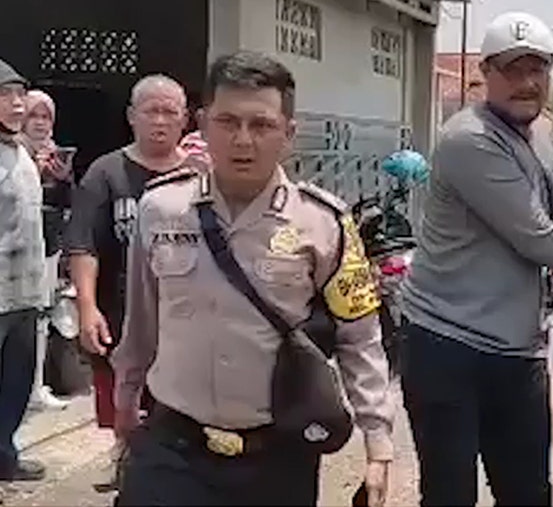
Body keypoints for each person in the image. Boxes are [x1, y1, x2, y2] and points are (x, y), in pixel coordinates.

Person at [112, 52, 393, 506]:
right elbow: (141, 322)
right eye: (227, 121)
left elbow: (360, 338)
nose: (243, 140)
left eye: (261, 125)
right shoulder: (160, 210)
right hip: (173, 448)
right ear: (202, 126)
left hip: (277, 460)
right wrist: (125, 400)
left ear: (289, 133)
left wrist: (377, 443)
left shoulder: (324, 225)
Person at [398, 11, 553, 507]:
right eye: (512, 70)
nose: (526, 83)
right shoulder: (469, 139)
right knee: (450, 493)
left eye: (537, 70)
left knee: (528, 493)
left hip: (517, 349)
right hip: (447, 342)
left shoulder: (538, 136)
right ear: (486, 74)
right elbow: (536, 235)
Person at [65, 74, 190, 491]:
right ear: (131, 117)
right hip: (122, 311)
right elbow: (84, 243)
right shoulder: (106, 173)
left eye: (169, 112)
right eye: (150, 111)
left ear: (185, 120)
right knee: (124, 398)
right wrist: (87, 306)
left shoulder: (200, 174)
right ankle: (129, 460)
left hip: (185, 312)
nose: (160, 121)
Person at [0, 59, 47, 482]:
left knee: (17, 381)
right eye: (5, 95)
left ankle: (4, 455)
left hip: (26, 290)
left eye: (20, 95)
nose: (17, 104)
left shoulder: (21, 152)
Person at [21, 89, 72, 412]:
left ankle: (36, 385)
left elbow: (67, 202)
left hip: (48, 242)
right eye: (33, 115)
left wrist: (63, 179)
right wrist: (33, 173)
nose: (40, 123)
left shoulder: (55, 152)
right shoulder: (12, 152)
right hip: (13, 249)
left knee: (42, 315)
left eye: (46, 116)